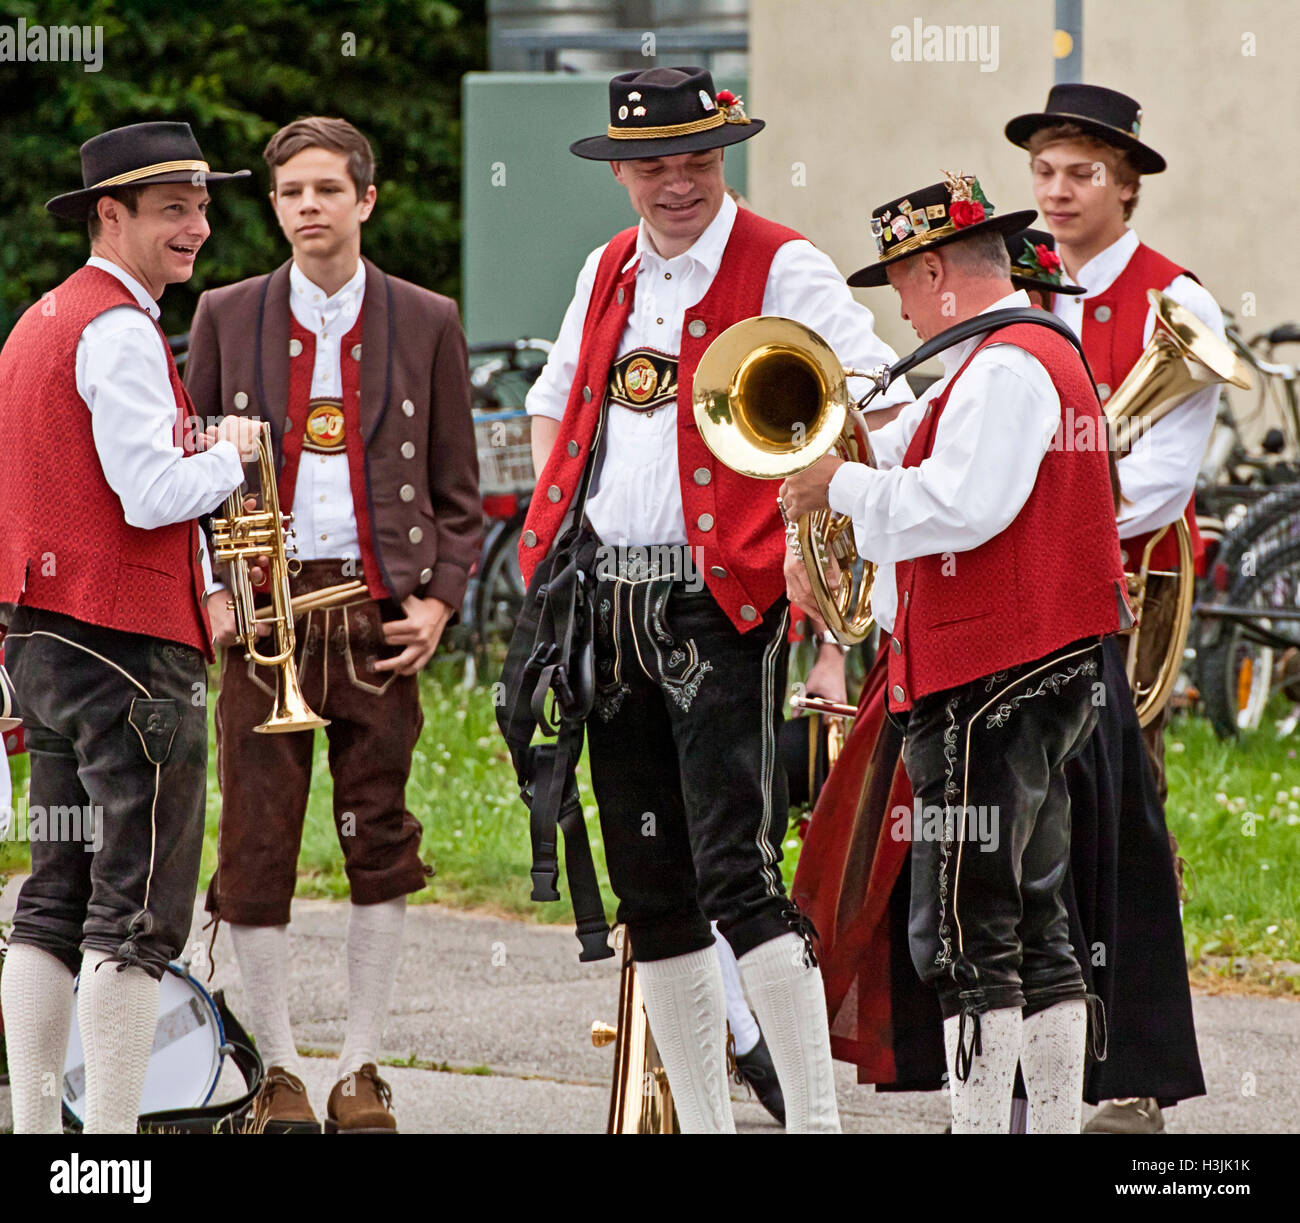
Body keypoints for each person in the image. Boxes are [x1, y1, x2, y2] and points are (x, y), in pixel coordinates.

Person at [519, 65, 909, 1134]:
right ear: (622, 173)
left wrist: (814, 533)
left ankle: (815, 1121)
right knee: (653, 888)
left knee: (737, 873)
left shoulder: (784, 261)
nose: (677, 183)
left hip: (717, 606)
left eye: (696, 159)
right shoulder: (607, 267)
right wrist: (557, 548)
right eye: (653, 164)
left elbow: (881, 397)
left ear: (724, 155)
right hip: (606, 606)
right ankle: (705, 1120)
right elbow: (554, 407)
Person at [780, 171, 1127, 1134]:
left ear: (935, 271)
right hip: (1033, 672)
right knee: (1039, 924)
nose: (896, 303)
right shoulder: (1023, 356)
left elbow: (963, 509)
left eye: (898, 281)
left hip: (988, 682)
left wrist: (840, 486)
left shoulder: (1007, 366)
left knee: (970, 933)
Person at [184, 116, 480, 1134]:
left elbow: (457, 492)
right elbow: (185, 476)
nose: (307, 207)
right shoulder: (225, 312)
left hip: (375, 605)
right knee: (256, 846)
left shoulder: (427, 317)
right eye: (289, 193)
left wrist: (438, 598)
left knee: (381, 836)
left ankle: (360, 1064)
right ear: (273, 207)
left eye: (325, 189)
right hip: (263, 607)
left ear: (367, 198)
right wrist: (211, 592)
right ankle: (279, 1069)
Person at [0, 121, 258, 1133]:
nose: (197, 226)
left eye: (200, 205)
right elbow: (150, 492)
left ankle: (35, 1133)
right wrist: (230, 456)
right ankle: (105, 1151)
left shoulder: (39, 321)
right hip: (128, 650)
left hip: (46, 640)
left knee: (52, 899)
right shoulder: (117, 327)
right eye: (172, 209)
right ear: (111, 216)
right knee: (138, 911)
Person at [1007, 82, 1210, 1133]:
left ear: (1126, 187)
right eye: (1043, 171)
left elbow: (1165, 479)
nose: (1056, 190)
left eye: (1081, 173)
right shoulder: (1016, 288)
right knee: (1023, 813)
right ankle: (1029, 1049)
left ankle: (1127, 1075)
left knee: (1120, 820)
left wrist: (1045, 511)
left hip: (1130, 588)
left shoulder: (1178, 301)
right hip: (1021, 589)